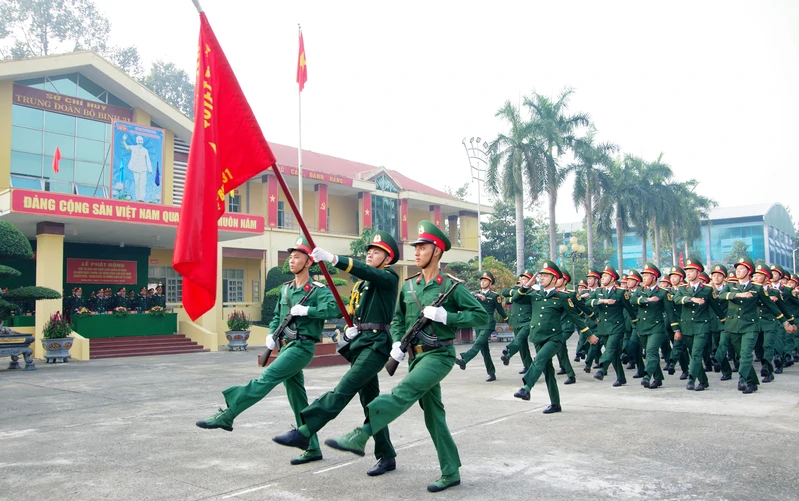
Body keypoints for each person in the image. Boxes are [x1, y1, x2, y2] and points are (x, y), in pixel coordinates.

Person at [324, 221, 488, 493]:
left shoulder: (450, 286)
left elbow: (481, 316)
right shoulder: (409, 286)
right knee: (433, 415)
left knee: (403, 391)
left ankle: (361, 435)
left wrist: (450, 316)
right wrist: (399, 342)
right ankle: (451, 471)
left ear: (436, 251)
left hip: (439, 355)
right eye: (417, 247)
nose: (417, 252)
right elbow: (399, 318)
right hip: (416, 356)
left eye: (422, 247)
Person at [196, 235, 341, 465]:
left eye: (297, 257)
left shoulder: (317, 290)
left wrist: (308, 311)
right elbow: (276, 317)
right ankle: (312, 447)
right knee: (297, 398)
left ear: (309, 262)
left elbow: (336, 309)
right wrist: (271, 335)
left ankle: (228, 414)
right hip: (284, 346)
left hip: (302, 347)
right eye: (290, 257)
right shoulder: (285, 290)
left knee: (265, 379)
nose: (291, 261)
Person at [272, 230, 401, 476]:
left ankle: (305, 431)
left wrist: (334, 259)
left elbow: (366, 271)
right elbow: (356, 313)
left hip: (376, 346)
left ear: (388, 258)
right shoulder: (363, 285)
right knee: (371, 403)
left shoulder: (388, 277)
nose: (370, 254)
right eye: (369, 251)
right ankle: (386, 455)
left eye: (376, 252)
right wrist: (350, 329)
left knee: (344, 389)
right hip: (362, 343)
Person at [512, 261, 594, 411]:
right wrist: (525, 286)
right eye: (541, 275)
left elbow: (576, 317)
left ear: (554, 280)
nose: (542, 278)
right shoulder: (534, 294)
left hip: (554, 337)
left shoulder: (562, 297)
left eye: (546, 275)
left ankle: (527, 388)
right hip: (537, 337)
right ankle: (555, 404)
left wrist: (589, 334)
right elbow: (516, 299)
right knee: (548, 371)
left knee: (539, 359)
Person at [719, 257, 793, 394]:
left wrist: (785, 322)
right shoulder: (730, 285)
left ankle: (742, 379)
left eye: (742, 269)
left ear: (749, 271)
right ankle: (752, 382)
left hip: (750, 326)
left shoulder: (757, 288)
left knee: (747, 354)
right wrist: (738, 295)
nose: (738, 271)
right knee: (741, 356)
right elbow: (721, 296)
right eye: (737, 269)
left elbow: (772, 307)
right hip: (733, 326)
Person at [672, 258, 726, 391]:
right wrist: (691, 299)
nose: (688, 273)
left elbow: (717, 308)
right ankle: (704, 381)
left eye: (691, 271)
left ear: (698, 272)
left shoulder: (707, 290)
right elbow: (676, 299)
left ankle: (691, 379)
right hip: (686, 326)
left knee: (696, 354)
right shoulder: (682, 288)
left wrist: (726, 324)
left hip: (702, 326)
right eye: (687, 271)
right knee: (693, 354)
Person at [587, 265, 636, 386]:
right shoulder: (598, 292)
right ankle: (621, 377)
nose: (602, 278)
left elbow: (630, 310)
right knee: (613, 353)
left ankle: (602, 369)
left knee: (610, 348)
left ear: (613, 279)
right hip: (603, 327)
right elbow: (588, 302)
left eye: (605, 276)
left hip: (617, 326)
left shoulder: (620, 292)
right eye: (602, 276)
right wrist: (602, 301)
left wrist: (636, 325)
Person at [455, 270, 508, 381]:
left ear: (490, 283)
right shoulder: (475, 294)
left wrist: (508, 320)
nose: (483, 282)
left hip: (488, 324)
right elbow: (467, 294)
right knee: (484, 351)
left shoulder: (494, 296)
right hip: (478, 324)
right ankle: (491, 373)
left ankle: (464, 359)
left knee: (478, 344)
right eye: (482, 280)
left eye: (485, 281)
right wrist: (476, 294)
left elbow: (500, 310)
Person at [630, 262, 672, 389]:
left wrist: (676, 330)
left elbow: (670, 313)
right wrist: (646, 300)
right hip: (642, 327)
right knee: (649, 354)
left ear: (654, 277)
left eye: (647, 276)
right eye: (643, 276)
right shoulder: (639, 291)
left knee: (651, 351)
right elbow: (631, 301)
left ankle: (647, 376)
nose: (644, 278)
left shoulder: (663, 293)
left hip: (657, 327)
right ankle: (658, 378)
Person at [499, 271, 535, 374]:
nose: (522, 280)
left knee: (518, 339)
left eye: (525, 279)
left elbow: (517, 298)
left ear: (531, 281)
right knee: (522, 345)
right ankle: (527, 365)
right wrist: (516, 291)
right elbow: (504, 292)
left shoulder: (532, 292)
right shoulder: (516, 290)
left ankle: (508, 352)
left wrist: (514, 295)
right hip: (516, 321)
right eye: (521, 279)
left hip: (527, 321)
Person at [121, 134, 153, 201]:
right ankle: (138, 198)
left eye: (141, 140)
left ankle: (142, 198)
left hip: (143, 169)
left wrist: (150, 169)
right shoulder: (133, 147)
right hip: (135, 168)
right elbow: (126, 147)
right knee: (137, 184)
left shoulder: (145, 150)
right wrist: (124, 140)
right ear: (136, 141)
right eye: (138, 140)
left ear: (143, 141)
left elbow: (148, 160)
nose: (140, 141)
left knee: (142, 184)